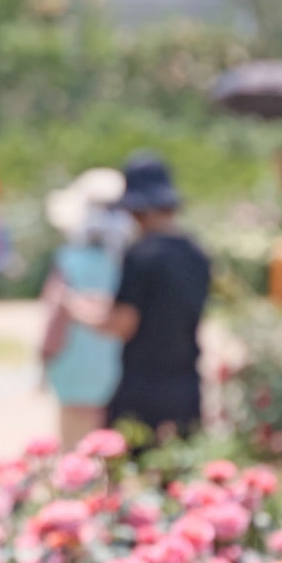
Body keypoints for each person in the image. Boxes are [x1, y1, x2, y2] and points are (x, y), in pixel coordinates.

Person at [68, 155, 211, 443]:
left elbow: (125, 324)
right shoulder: (197, 255)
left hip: (143, 387)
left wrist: (82, 313)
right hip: (186, 385)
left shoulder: (141, 255)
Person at [39, 169, 128, 451]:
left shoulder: (70, 259)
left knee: (74, 448)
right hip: (114, 364)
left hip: (73, 363)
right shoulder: (126, 261)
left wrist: (44, 355)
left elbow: (55, 315)